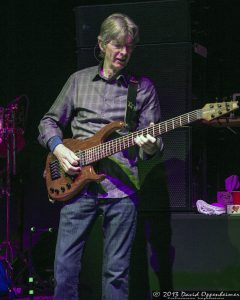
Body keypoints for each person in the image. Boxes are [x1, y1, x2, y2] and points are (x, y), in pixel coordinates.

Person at [38, 13, 163, 300]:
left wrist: (151, 145)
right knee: (65, 271)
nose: (123, 52)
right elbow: (47, 122)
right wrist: (59, 149)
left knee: (116, 275)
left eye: (129, 46)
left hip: (121, 191)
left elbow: (153, 147)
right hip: (74, 186)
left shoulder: (142, 89)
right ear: (102, 44)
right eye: (117, 45)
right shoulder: (78, 81)